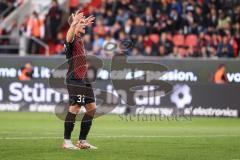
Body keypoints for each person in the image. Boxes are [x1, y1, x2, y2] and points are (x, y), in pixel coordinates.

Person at [62, 10, 96, 150]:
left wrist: (81, 23)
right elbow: (68, 37)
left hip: (84, 79)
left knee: (91, 109)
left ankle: (82, 141)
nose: (84, 25)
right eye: (81, 23)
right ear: (74, 25)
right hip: (75, 79)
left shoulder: (80, 40)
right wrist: (74, 23)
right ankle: (66, 141)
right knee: (75, 107)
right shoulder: (71, 40)